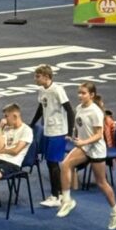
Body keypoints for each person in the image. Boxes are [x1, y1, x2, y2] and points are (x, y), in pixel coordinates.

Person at [56, 81, 116, 230]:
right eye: (79, 93)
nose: (80, 95)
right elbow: (79, 127)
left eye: (83, 93)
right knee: (65, 164)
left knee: (101, 183)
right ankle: (67, 200)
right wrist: (73, 136)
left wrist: (83, 142)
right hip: (84, 147)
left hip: (96, 150)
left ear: (92, 95)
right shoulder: (79, 108)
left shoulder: (95, 112)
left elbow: (98, 135)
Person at [31, 64, 74, 209]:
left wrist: (69, 132)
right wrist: (32, 123)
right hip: (48, 130)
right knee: (50, 163)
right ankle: (59, 194)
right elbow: (41, 108)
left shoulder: (57, 90)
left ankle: (56, 196)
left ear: (46, 77)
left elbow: (70, 111)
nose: (35, 79)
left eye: (38, 76)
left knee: (53, 163)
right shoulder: (41, 90)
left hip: (59, 131)